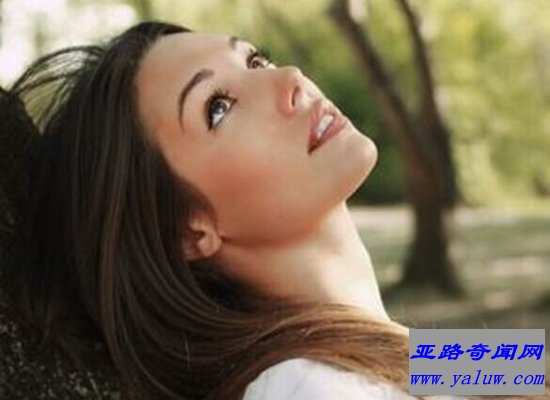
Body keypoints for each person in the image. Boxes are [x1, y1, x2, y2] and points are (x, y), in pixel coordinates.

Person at [0, 21, 494, 400]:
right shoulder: (304, 387)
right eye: (218, 106)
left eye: (255, 60)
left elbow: (520, 366)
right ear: (189, 230)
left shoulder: (393, 352)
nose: (290, 79)